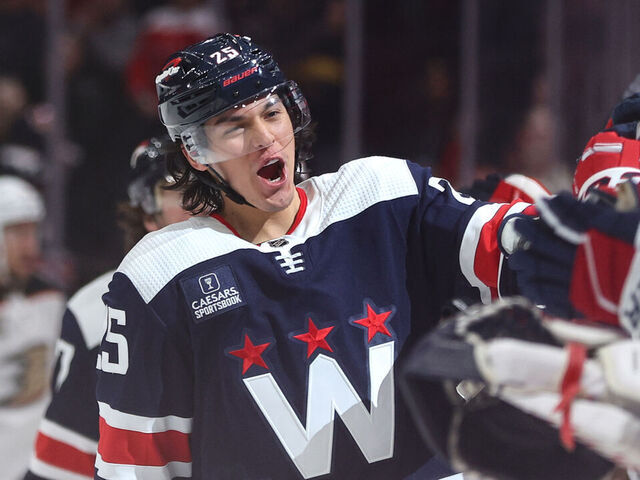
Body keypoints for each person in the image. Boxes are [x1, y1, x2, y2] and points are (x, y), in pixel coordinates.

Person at [94, 33, 537, 479]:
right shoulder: (160, 275)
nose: (265, 137)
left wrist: (591, 220)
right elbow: (137, 465)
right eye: (235, 126)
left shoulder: (383, 196)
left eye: (271, 113)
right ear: (194, 151)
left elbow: (520, 251)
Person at [25, 137, 192, 480]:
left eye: (207, 184)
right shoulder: (97, 312)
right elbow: (65, 464)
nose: (198, 201)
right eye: (176, 187)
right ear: (147, 209)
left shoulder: (277, 277)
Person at [0, 175, 66, 480]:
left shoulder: (50, 299)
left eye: (33, 231)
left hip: (38, 465)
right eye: (17, 232)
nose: (30, 245)